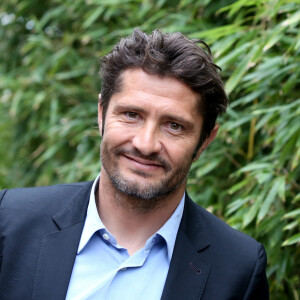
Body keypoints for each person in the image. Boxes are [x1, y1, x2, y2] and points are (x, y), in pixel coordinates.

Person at [0, 29, 269, 300]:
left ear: (204, 141)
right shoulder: (9, 221)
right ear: (102, 113)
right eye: (131, 115)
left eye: (174, 126)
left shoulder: (239, 269)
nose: (145, 144)